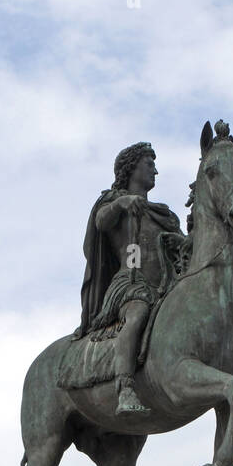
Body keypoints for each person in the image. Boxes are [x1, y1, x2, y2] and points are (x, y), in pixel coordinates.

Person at [77, 142, 185, 415]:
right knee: (137, 315)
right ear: (132, 167)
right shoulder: (113, 202)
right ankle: (124, 387)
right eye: (150, 164)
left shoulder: (164, 215)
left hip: (165, 287)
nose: (156, 171)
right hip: (131, 283)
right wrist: (122, 203)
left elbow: (185, 249)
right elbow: (102, 221)